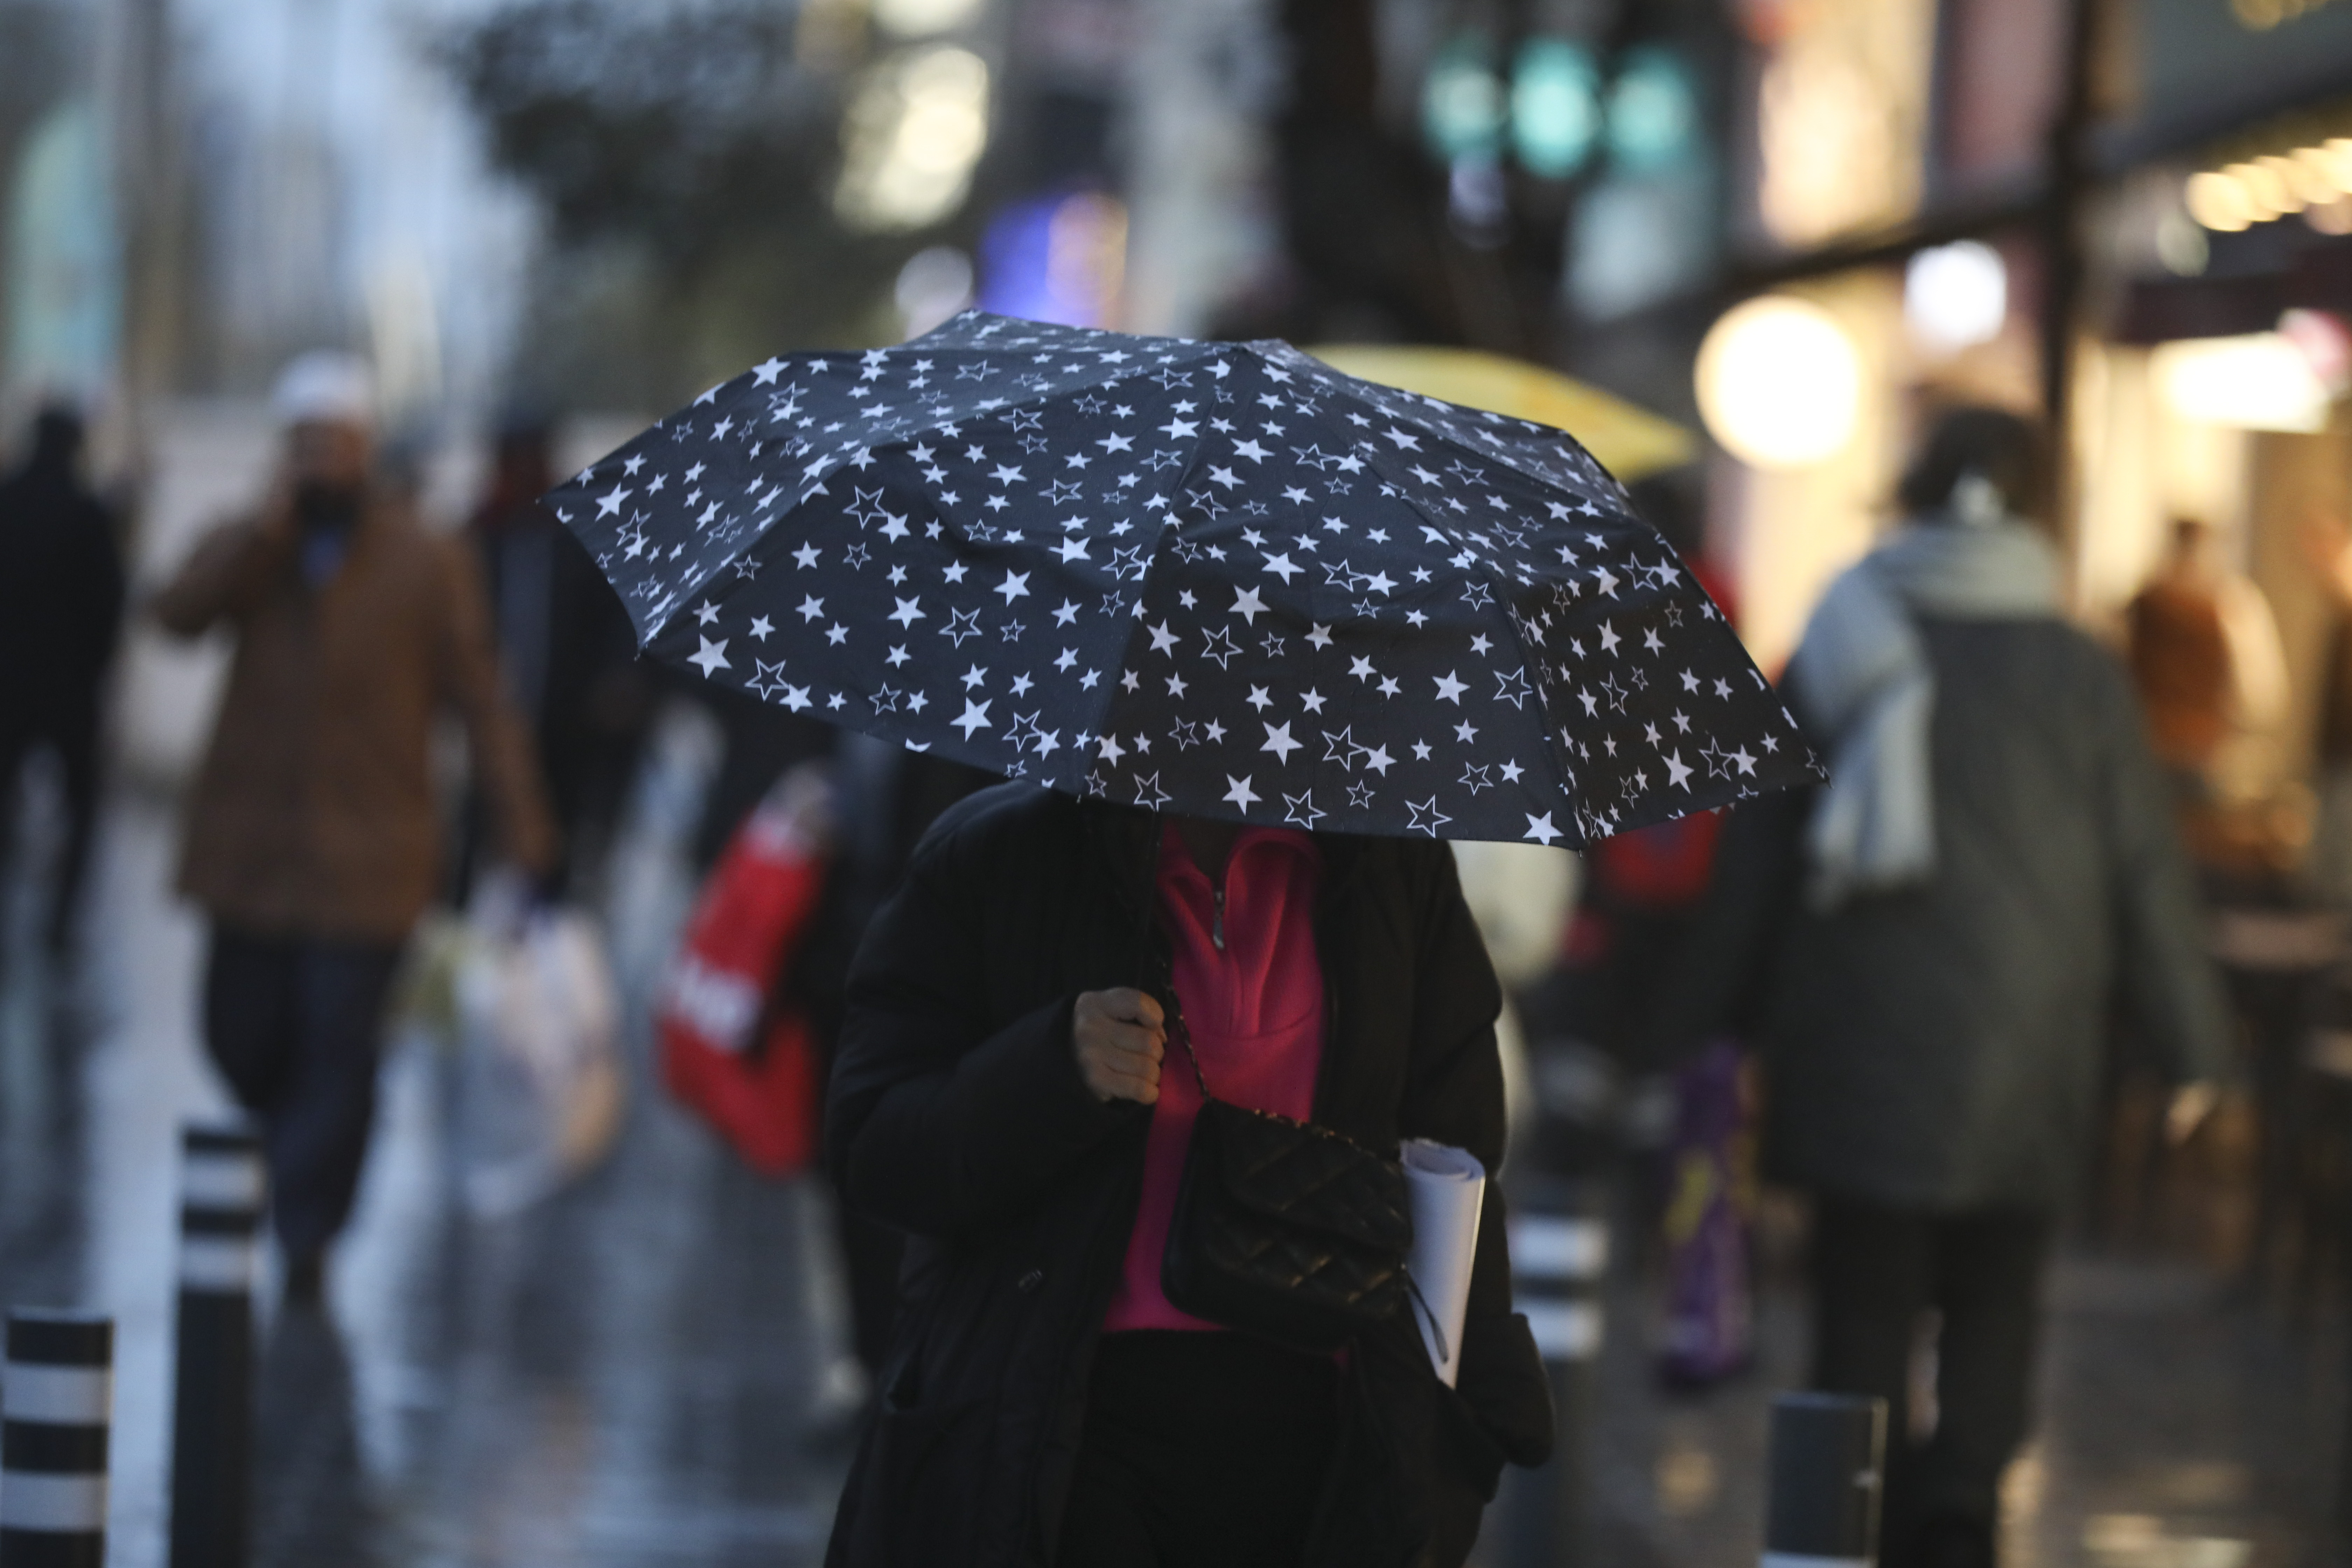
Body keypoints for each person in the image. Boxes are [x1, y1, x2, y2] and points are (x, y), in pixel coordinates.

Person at [1660, 407, 2229, 1568]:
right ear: (2036, 510)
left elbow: (1757, 859)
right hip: (2031, 1040)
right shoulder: (2082, 671)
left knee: (1863, 1301)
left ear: (1913, 491)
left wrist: (1697, 1025)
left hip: (1856, 1034)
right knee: (1999, 1295)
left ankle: (1847, 1522)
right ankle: (1961, 1516)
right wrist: (2196, 1049)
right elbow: (2143, 872)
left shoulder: (1837, 631)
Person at [823, 789, 1554, 1568]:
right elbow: (878, 1144)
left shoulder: (1390, 862)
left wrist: (1461, 1426)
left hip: (1330, 1443)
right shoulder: (1001, 851)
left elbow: (1455, 1149)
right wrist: (1047, 1069)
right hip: (1067, 1434)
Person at [153, 352, 555, 1305]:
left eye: (335, 444)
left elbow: (481, 696)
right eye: (303, 445)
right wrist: (262, 535)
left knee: (341, 1056)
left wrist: (523, 828)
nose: (320, 462)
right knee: (238, 1033)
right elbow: (174, 616)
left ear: (367, 449)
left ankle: (306, 1230)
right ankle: (283, 1160)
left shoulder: (425, 558)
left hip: (372, 865)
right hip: (250, 859)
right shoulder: (256, 545)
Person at [462, 416, 650, 901]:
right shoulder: (475, 537)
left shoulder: (583, 536)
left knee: (558, 851)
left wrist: (615, 679)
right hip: (488, 729)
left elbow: (618, 620)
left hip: (566, 724)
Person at [0, 404, 126, 960]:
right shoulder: (87, 511)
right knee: (83, 810)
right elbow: (109, 605)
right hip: (70, 691)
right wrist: (95, 673)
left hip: (7, 687)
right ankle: (59, 928)